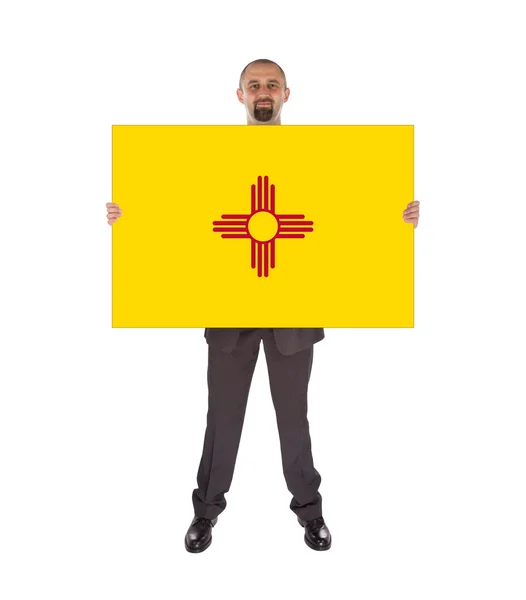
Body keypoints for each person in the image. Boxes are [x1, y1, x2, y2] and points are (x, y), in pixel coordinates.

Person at [106, 58, 420, 553]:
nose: (263, 91)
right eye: (254, 85)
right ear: (240, 96)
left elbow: (343, 218)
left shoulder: (315, 157)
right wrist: (132, 215)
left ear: (287, 94)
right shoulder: (212, 157)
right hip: (230, 309)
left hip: (292, 311)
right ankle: (205, 513)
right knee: (223, 417)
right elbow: (183, 218)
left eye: (271, 84)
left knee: (293, 418)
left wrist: (396, 217)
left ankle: (309, 513)